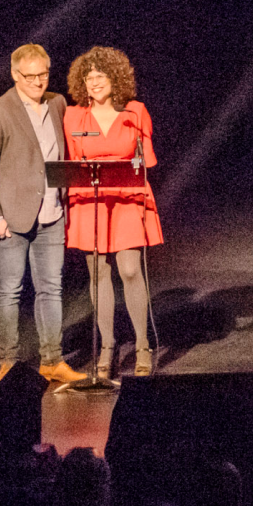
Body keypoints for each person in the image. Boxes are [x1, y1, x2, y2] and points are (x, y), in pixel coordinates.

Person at [0, 43, 80, 387]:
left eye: (43, 74)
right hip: (9, 218)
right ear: (15, 75)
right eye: (29, 76)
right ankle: (8, 362)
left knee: (51, 288)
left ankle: (52, 360)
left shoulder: (58, 102)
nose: (37, 82)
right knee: (9, 291)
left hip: (51, 213)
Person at [60, 46, 162, 381]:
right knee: (98, 274)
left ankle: (144, 344)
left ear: (114, 78)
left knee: (130, 269)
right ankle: (107, 346)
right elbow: (72, 162)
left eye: (100, 76)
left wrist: (131, 164)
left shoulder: (135, 112)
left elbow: (146, 161)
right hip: (90, 200)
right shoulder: (75, 117)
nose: (94, 83)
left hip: (127, 199)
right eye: (89, 78)